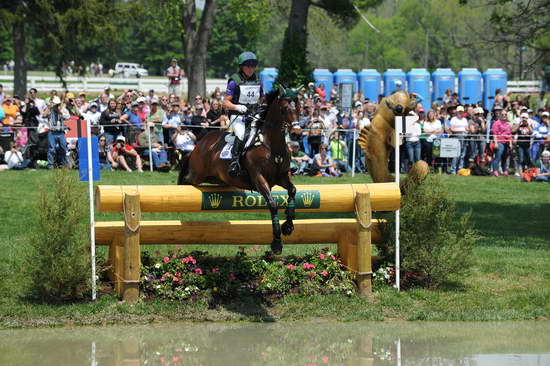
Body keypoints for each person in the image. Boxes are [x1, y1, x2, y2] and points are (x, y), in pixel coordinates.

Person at [222, 51, 263, 176]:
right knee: (241, 134)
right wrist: (237, 107)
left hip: (253, 115)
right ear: (241, 66)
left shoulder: (257, 80)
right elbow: (225, 102)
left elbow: (261, 98)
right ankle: (234, 163)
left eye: (253, 66)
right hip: (237, 116)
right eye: (247, 66)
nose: (251, 69)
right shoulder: (234, 81)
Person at [43, 96, 70, 169]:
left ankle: (62, 164)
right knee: (51, 149)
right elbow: (44, 115)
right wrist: (49, 107)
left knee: (63, 148)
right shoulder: (50, 110)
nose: (57, 106)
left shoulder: (63, 110)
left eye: (58, 105)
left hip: (61, 132)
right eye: (56, 105)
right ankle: (50, 165)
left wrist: (60, 112)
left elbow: (68, 117)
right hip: (52, 132)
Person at [491, 112, 513, 176]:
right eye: (502, 114)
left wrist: (510, 143)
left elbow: (509, 134)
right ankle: (495, 170)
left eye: (505, 114)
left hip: (506, 142)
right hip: (499, 141)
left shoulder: (508, 124)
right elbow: (494, 134)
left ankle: (504, 171)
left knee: (504, 157)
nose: (504, 115)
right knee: (498, 156)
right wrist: (495, 143)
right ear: (500, 115)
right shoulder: (496, 123)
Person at [449, 105, 468, 174]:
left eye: (462, 112)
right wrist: (461, 131)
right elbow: (452, 129)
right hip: (457, 138)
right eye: (459, 112)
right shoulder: (454, 119)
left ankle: (460, 170)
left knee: (462, 155)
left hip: (464, 138)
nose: (461, 113)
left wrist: (467, 131)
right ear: (457, 112)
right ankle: (453, 170)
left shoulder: (465, 120)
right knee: (456, 155)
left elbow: (467, 129)